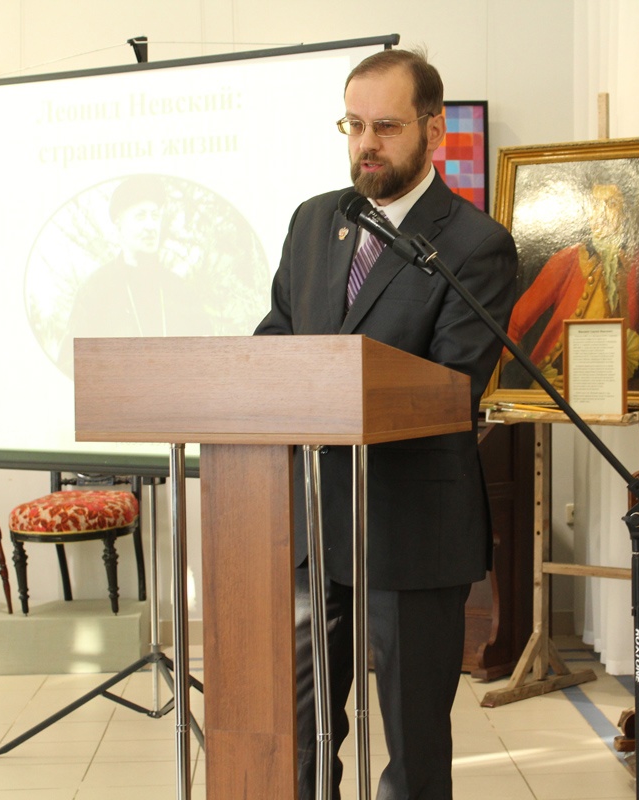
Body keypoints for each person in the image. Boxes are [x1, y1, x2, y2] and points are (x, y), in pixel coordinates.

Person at [254, 47, 517, 799]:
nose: (366, 144)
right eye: (354, 125)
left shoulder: (475, 244)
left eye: (387, 127)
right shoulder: (315, 222)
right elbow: (277, 338)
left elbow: (452, 388)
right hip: (313, 524)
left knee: (413, 750)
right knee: (301, 736)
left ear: (433, 131)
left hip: (412, 529)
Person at [499, 182, 639, 391]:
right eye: (596, 205)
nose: (602, 214)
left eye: (611, 204)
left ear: (625, 214)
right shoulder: (567, 259)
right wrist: (527, 377)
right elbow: (512, 324)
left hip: (611, 388)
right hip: (557, 385)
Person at [59, 174, 211, 374]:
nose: (150, 226)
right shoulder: (95, 290)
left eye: (155, 216)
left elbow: (207, 361)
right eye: (140, 216)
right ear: (119, 225)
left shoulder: (181, 291)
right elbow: (69, 365)